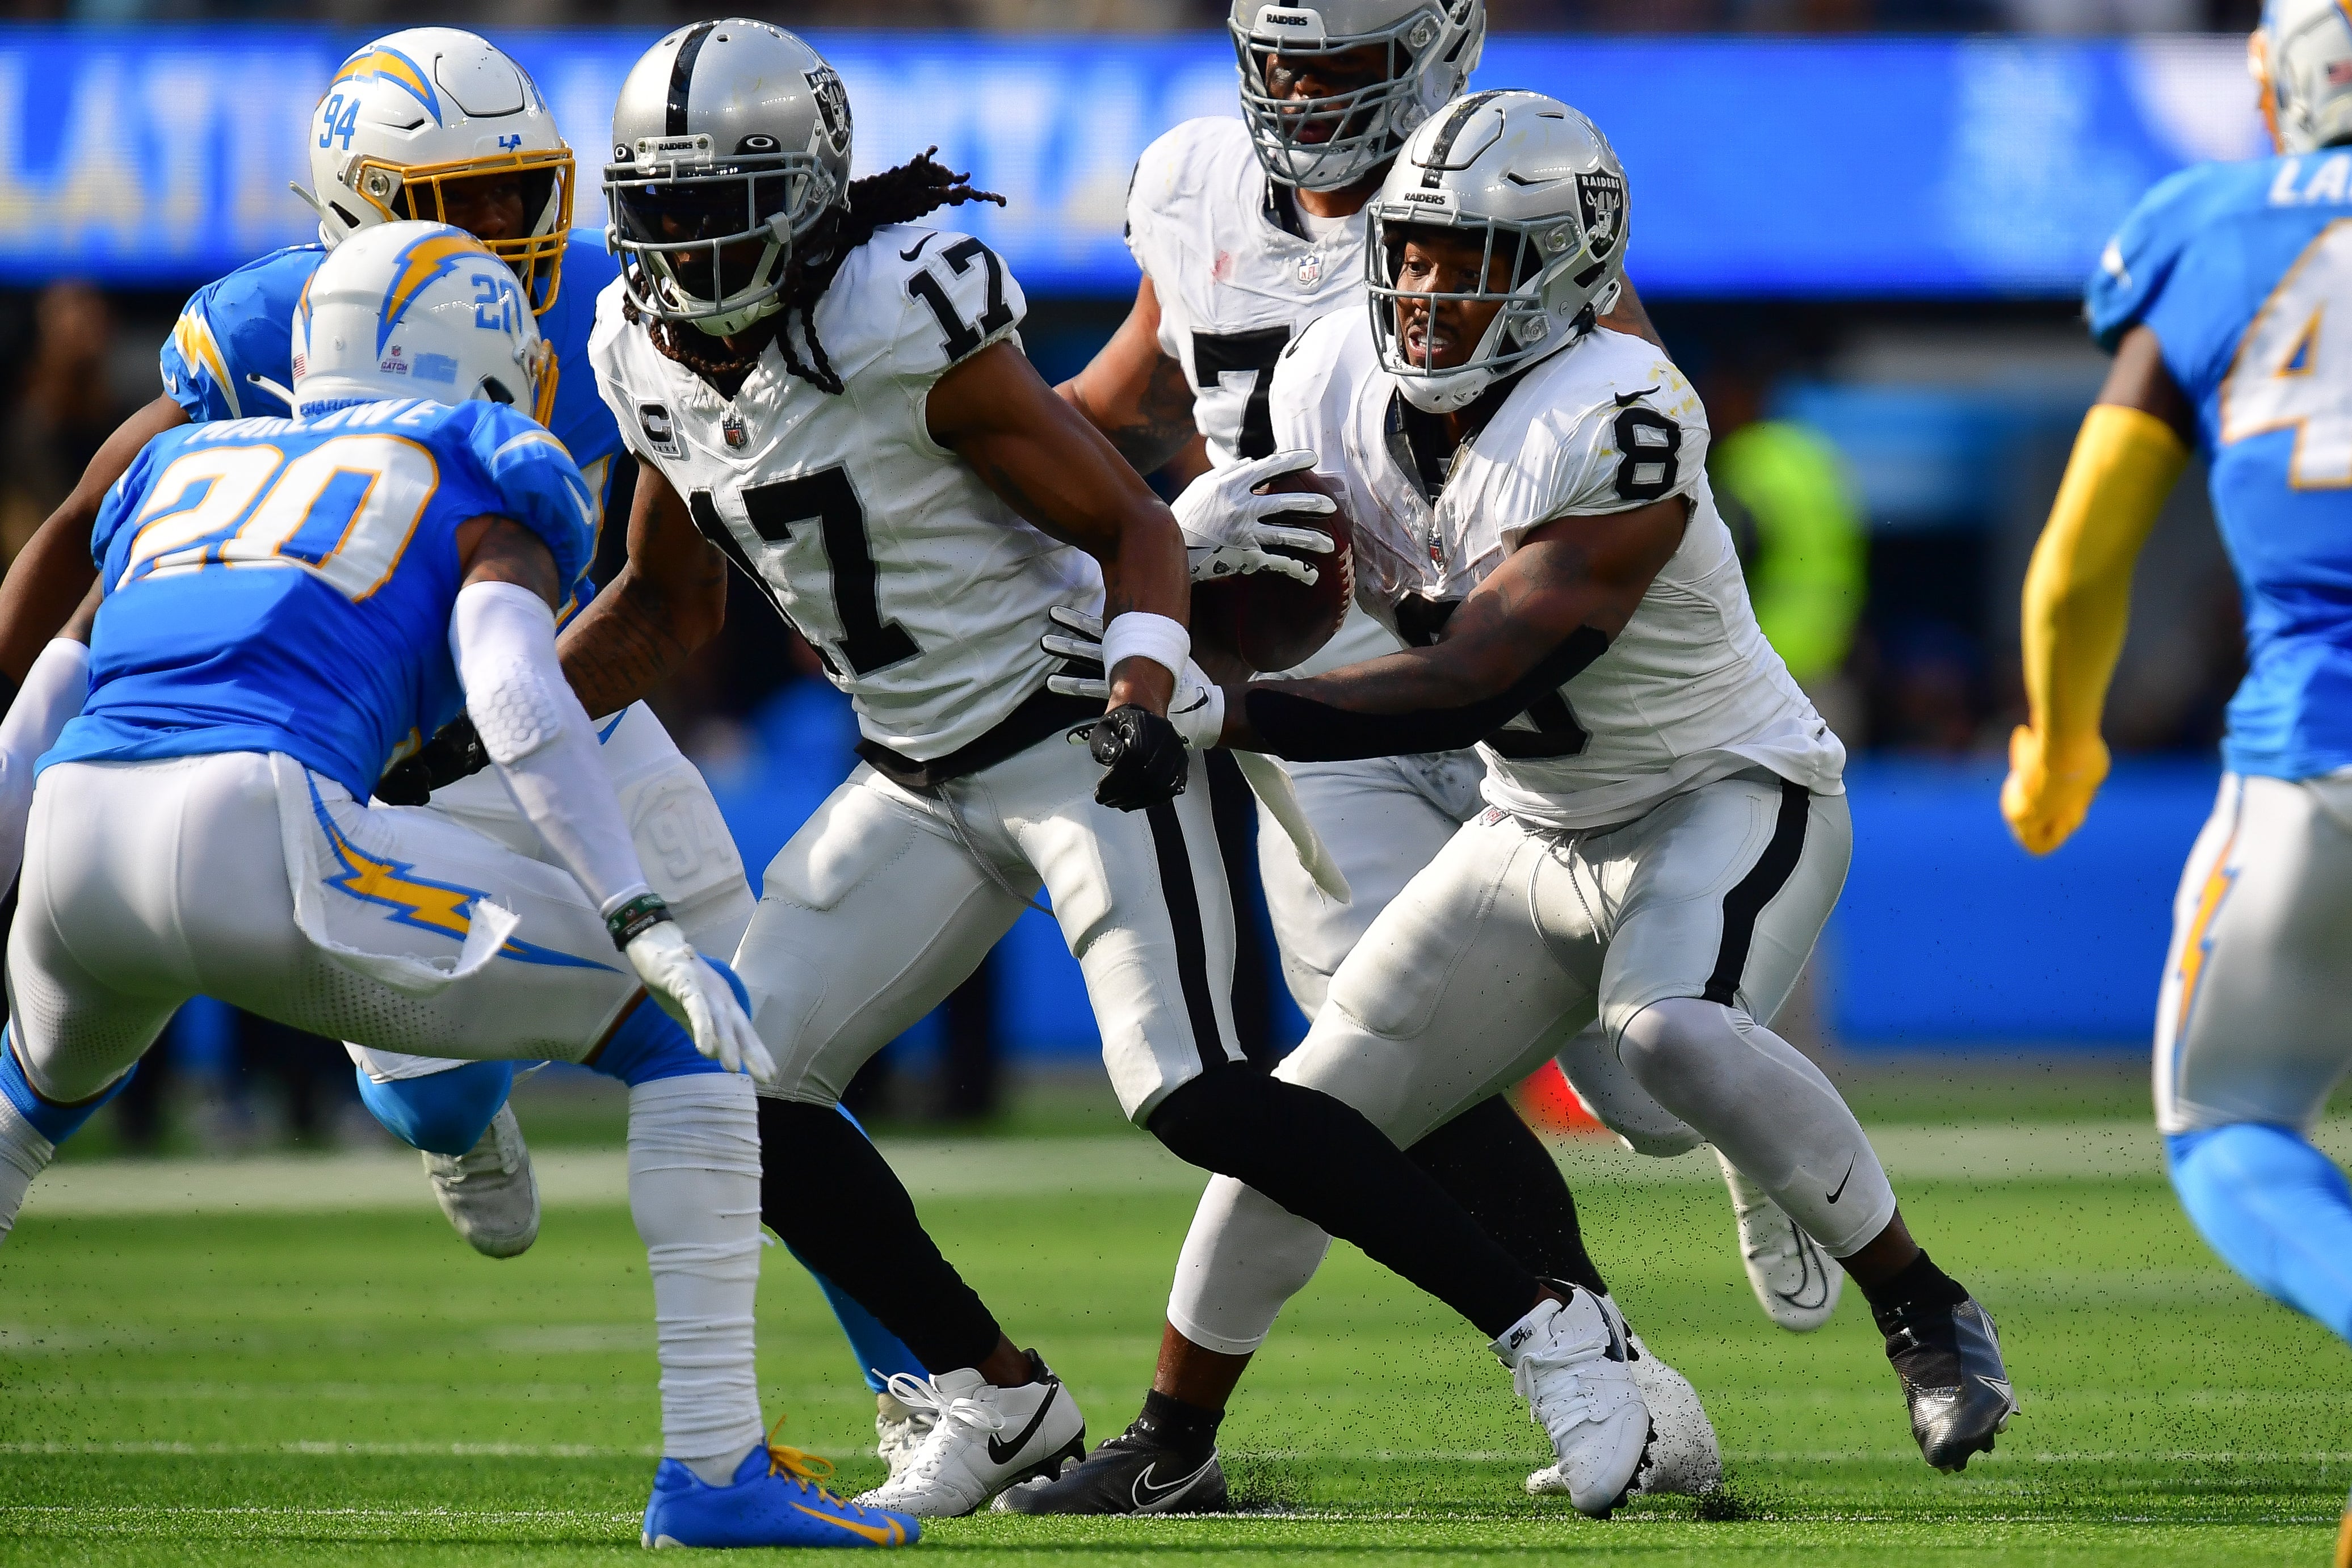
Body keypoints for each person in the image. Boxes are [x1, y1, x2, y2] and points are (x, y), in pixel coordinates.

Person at [584, 19, 1656, 1521]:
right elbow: (658, 607)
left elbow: (1128, 524)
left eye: (725, 206)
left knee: (1197, 1089)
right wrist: (456, 736)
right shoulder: (635, 349)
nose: (694, 249)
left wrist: (1147, 683)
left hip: (1067, 732)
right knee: (729, 1086)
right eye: (668, 210)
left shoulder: (901, 303)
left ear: (808, 194)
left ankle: (1550, 1330)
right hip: (911, 774)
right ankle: (992, 1391)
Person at [1046, 91, 2019, 1498]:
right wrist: (1184, 581)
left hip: (1717, 791)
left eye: (1471, 259)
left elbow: (1481, 674)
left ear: (1568, 269)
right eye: (1413, 250)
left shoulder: (1622, 410)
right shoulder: (1327, 373)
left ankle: (1923, 1306)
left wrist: (1222, 710)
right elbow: (1288, 587)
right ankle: (1171, 1442)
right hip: (1529, 824)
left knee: (1670, 1044)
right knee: (1316, 1110)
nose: (1425, 290)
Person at [0, 25, 934, 1462]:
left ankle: (935, 1382)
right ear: (361, 208)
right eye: (466, 201)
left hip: (558, 704)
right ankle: (446, 1110)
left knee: (755, 1048)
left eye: (521, 190)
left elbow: (654, 591)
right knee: (439, 1079)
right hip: (348, 750)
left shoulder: (622, 298)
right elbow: (83, 541)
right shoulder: (257, 329)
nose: (511, 230)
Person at [1056, 0, 1834, 1375]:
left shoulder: (1494, 186)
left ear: (1431, 51)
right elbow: (1117, 407)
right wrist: (1124, 532)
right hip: (1312, 680)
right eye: (1279, 62)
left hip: (1496, 665)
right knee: (1377, 1051)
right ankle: (1593, 1359)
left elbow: (1621, 408)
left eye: (1337, 64)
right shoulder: (1190, 186)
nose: (1301, 96)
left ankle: (1743, 1115)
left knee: (1645, 1094)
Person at [2000, 2, 2352, 1556]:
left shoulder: (2210, 227)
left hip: (2318, 757)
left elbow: (2080, 562)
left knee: (2227, 1120)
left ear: (2277, 87)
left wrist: (2059, 738)